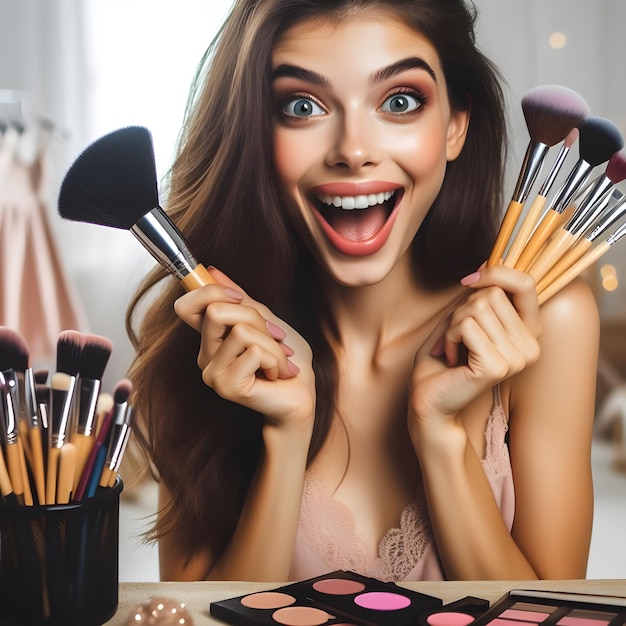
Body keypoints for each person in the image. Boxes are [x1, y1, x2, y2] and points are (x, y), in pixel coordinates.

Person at [126, 0, 599, 582]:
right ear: (255, 134)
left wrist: (441, 436)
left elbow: (550, 615)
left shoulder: (552, 321)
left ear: (455, 125)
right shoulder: (213, 342)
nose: (353, 150)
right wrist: (285, 435)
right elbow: (190, 621)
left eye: (399, 102)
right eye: (302, 106)